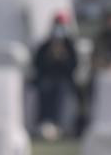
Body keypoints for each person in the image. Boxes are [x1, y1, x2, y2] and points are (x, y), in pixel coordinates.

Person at [31, 12, 79, 140]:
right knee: (44, 88)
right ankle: (44, 123)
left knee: (62, 90)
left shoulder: (70, 46)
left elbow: (73, 66)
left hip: (64, 80)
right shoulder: (45, 45)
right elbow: (38, 64)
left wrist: (63, 58)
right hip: (47, 78)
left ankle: (60, 125)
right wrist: (50, 57)